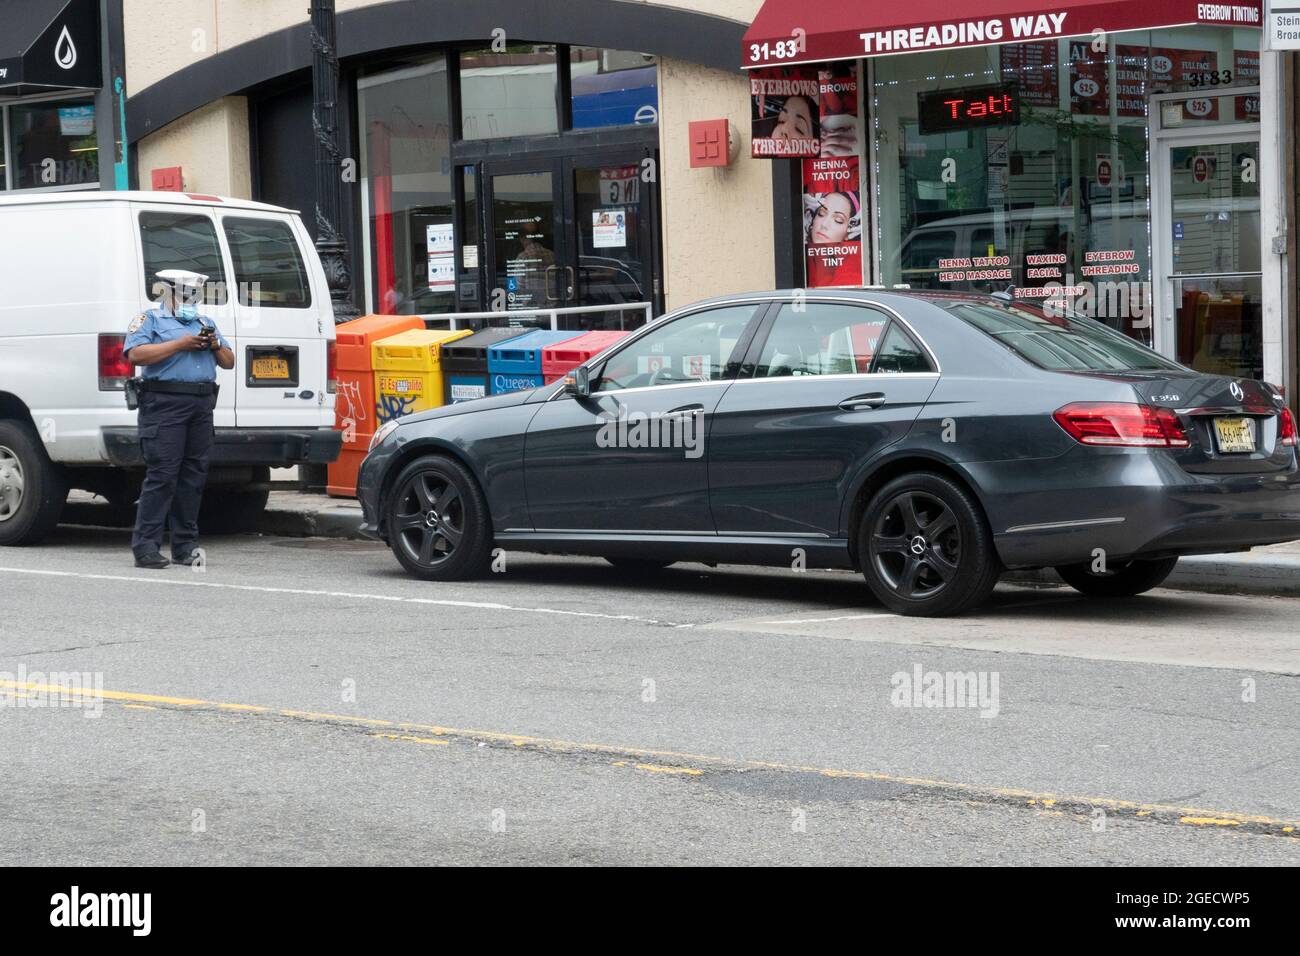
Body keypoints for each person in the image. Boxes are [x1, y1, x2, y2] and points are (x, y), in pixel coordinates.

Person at [122, 270, 234, 569]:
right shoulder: (150, 320)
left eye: (195, 294)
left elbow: (229, 361)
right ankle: (146, 548)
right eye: (185, 293)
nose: (191, 299)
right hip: (164, 403)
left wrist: (213, 345)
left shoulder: (205, 323)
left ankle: (185, 547)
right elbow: (136, 355)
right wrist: (179, 344)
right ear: (168, 292)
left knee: (194, 476)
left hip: (201, 403)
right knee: (163, 475)